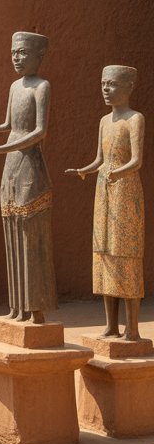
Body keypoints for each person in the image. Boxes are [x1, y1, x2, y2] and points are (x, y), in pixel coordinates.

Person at [0, 32, 57, 323]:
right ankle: (17, 307)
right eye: (14, 52)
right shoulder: (15, 86)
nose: (16, 57)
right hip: (12, 163)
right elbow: (8, 124)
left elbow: (39, 132)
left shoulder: (41, 87)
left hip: (30, 165)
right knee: (11, 230)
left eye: (23, 52)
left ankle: (35, 309)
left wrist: (0, 149)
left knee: (30, 234)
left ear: (39, 55)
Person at [66, 65, 146, 340]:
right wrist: (84, 170)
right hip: (104, 189)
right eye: (103, 84)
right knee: (104, 254)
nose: (106, 89)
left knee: (126, 254)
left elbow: (137, 161)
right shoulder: (104, 121)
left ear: (129, 86)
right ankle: (111, 326)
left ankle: (132, 329)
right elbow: (100, 159)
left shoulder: (134, 119)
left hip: (125, 191)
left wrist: (117, 172)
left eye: (111, 84)